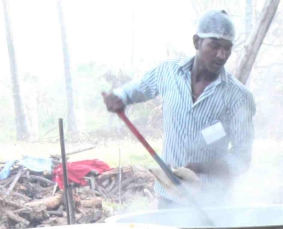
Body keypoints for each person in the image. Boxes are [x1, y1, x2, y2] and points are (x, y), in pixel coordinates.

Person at [102, 10, 256, 206]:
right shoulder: (168, 72)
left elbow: (242, 158)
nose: (221, 55)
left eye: (227, 48)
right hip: (170, 197)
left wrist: (202, 168)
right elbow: (138, 89)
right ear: (197, 42)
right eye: (215, 46)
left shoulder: (239, 97)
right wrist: (119, 97)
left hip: (213, 202)